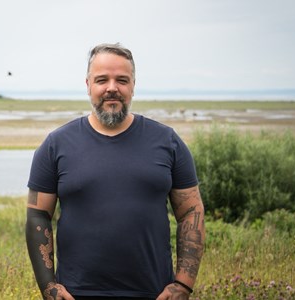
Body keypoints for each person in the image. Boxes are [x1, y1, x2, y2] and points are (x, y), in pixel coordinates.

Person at [25, 43, 205, 300]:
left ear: (133, 85)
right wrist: (48, 286)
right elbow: (37, 216)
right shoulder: (56, 145)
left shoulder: (168, 142)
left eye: (122, 80)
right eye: (102, 80)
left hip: (154, 293)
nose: (112, 88)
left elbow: (191, 212)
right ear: (88, 85)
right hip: (76, 294)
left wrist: (183, 285)